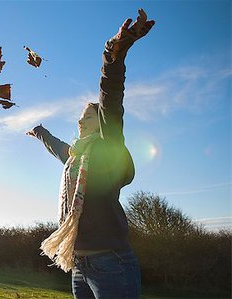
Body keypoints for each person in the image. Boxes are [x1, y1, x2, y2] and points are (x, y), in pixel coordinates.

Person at [26, 9, 155, 299]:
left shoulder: (109, 149)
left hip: (112, 264)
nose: (80, 122)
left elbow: (111, 100)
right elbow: (58, 147)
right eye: (79, 119)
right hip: (79, 265)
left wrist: (113, 55)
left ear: (101, 124)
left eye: (87, 117)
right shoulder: (76, 158)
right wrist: (39, 132)